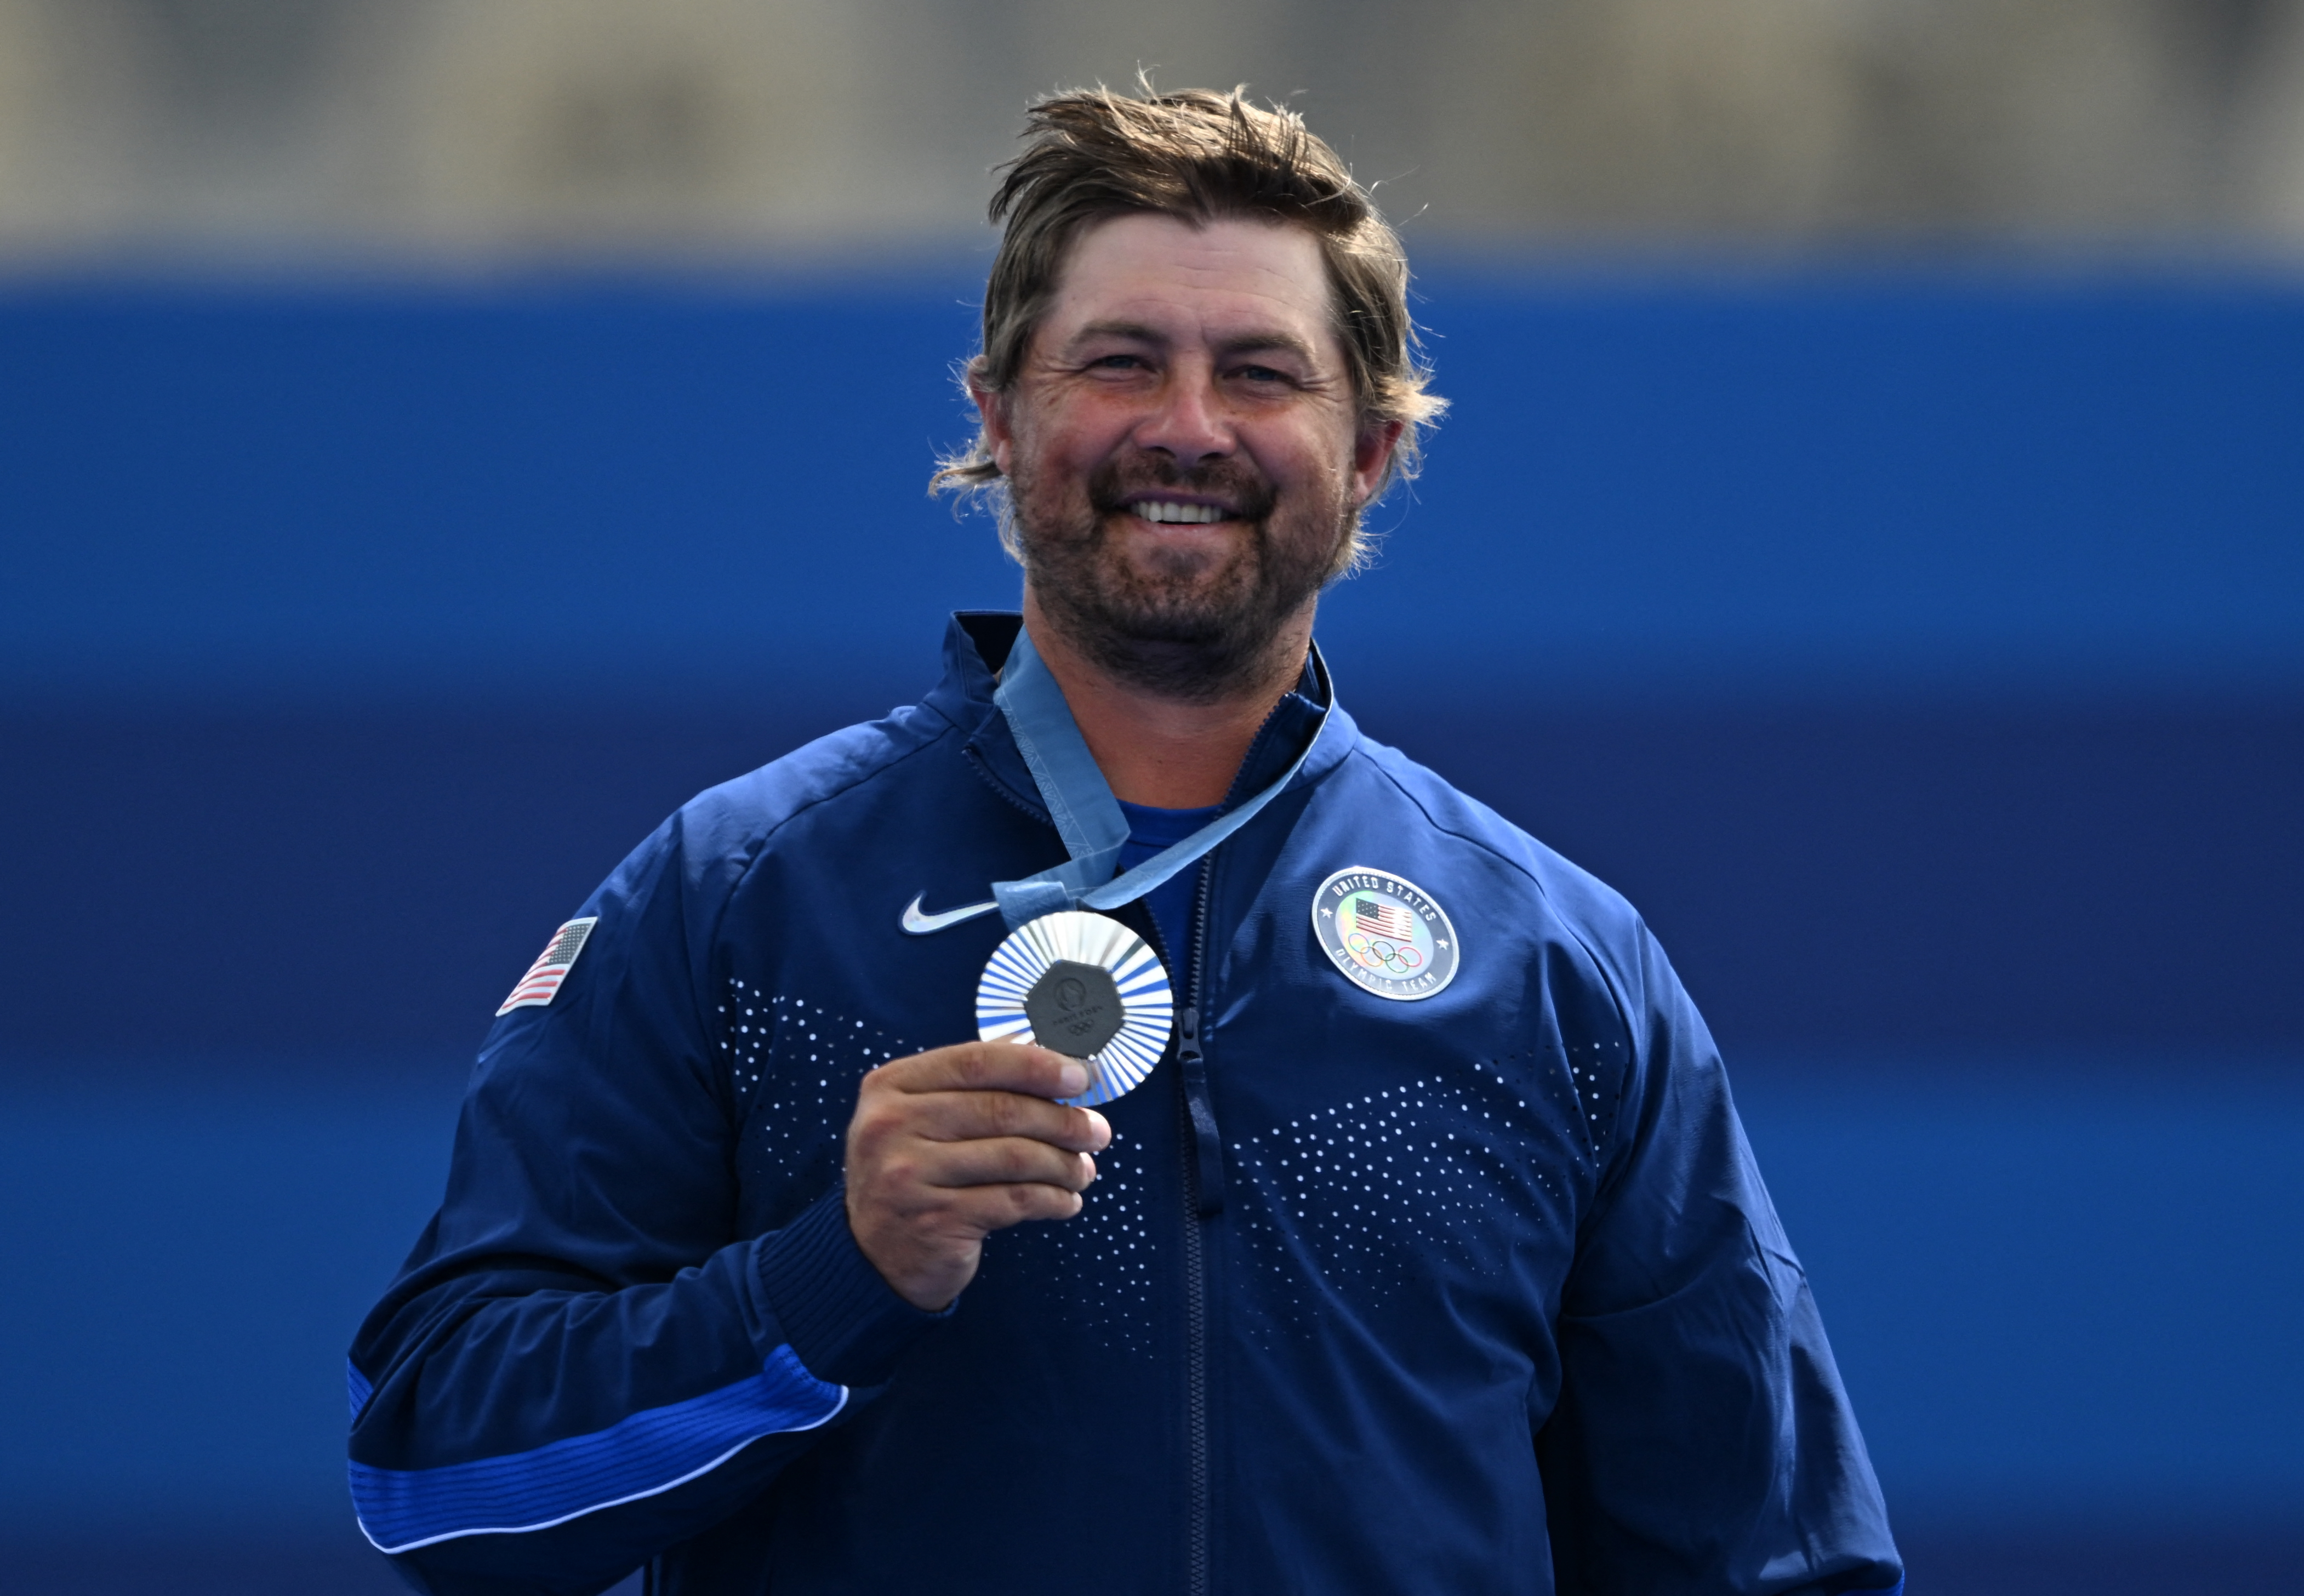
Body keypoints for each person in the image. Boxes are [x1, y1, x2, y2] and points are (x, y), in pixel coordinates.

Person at [347, 84, 1903, 1596]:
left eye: (1261, 373)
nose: (1186, 427)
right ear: (1001, 417)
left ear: (1369, 449)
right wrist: (829, 1282)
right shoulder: (742, 898)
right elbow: (437, 1483)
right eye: (1119, 362)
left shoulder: (1555, 964)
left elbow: (1767, 1559)